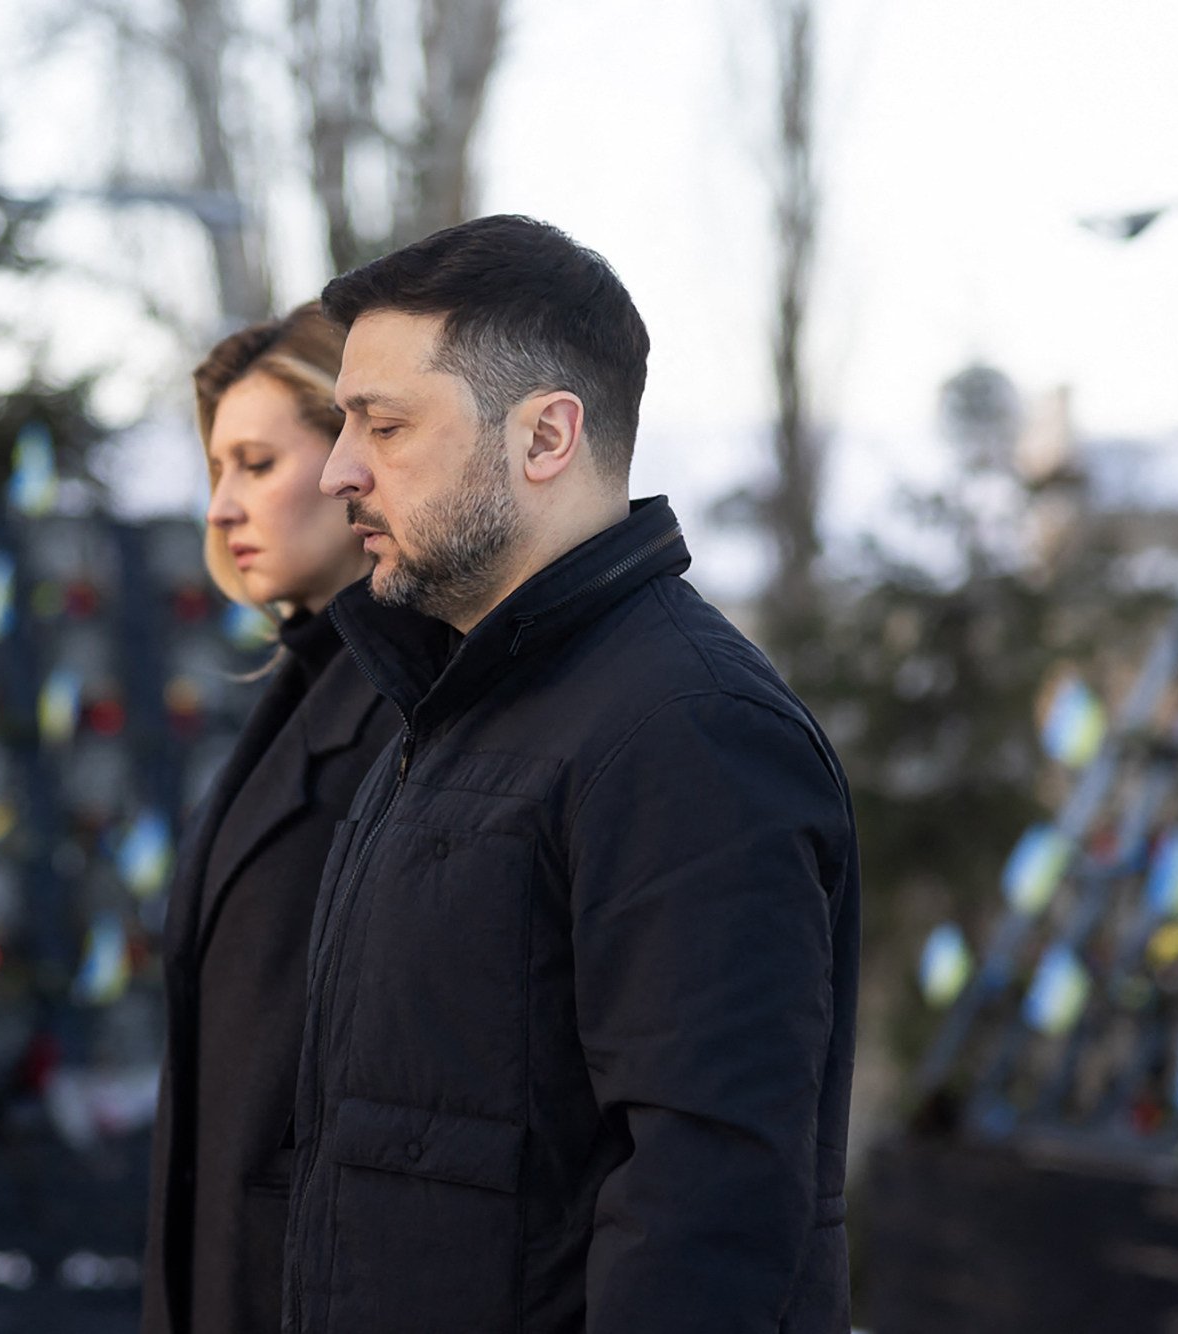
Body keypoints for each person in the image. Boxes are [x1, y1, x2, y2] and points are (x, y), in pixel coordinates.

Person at [283, 216, 860, 1333]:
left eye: (384, 425)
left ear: (545, 436)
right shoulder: (453, 706)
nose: (337, 469)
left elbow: (708, 1210)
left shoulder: (687, 731)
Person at [142, 302, 397, 1334]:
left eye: (255, 463)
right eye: (215, 469)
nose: (220, 508)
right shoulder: (304, 686)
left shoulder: (414, 713)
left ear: (355, 459)